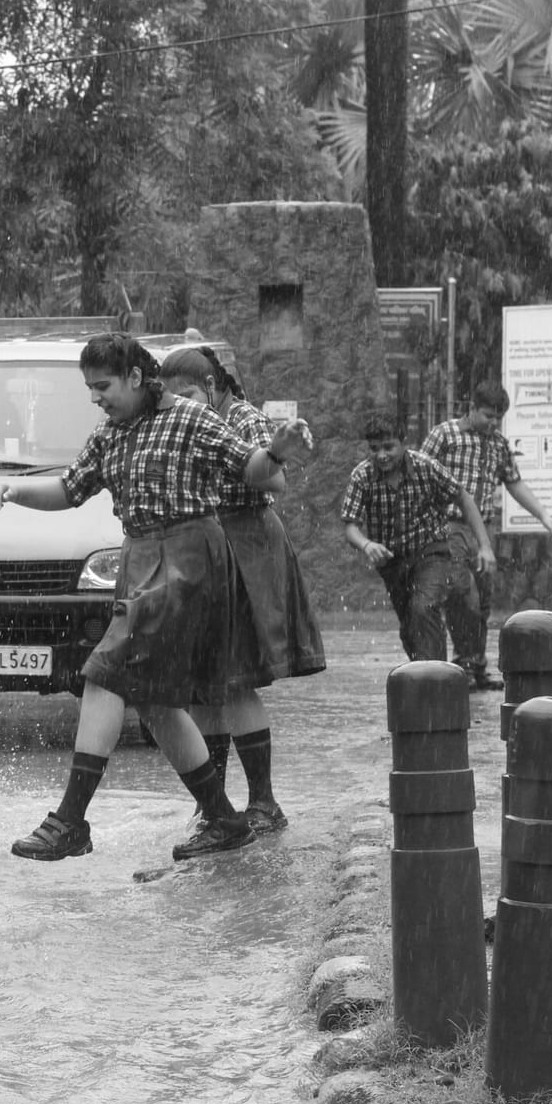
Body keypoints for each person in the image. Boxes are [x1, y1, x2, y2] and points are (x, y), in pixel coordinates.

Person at [0, 333, 314, 864]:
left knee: (105, 671)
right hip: (141, 557)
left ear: (136, 377)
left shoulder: (189, 417)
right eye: (90, 388)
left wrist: (276, 450)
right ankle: (224, 819)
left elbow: (252, 469)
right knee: (157, 702)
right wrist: (16, 491)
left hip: (190, 558)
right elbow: (71, 490)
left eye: (103, 386)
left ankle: (70, 818)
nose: (97, 397)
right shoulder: (109, 432)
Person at [159, 346, 326, 835]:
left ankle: (264, 801)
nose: (183, 405)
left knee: (237, 677)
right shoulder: (190, 421)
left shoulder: (246, 420)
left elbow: (274, 480)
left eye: (189, 394)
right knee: (208, 684)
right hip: (207, 547)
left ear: (211, 386)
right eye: (175, 398)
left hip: (246, 546)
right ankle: (215, 806)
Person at [419, 380, 552, 690]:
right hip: (447, 526)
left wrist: (543, 514)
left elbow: (514, 482)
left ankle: (477, 667)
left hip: (482, 530)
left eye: (498, 417)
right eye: (487, 415)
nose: (493, 422)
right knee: (461, 592)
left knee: (482, 600)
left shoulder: (497, 444)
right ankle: (463, 664)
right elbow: (419, 476)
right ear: (470, 408)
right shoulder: (444, 435)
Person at [341, 411, 493, 664]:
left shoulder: (426, 467)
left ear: (404, 443)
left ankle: (436, 679)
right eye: (375, 449)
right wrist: (366, 544)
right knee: (410, 625)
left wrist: (484, 546)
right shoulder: (362, 476)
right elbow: (350, 526)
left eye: (389, 447)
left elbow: (463, 498)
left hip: (431, 551)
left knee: (423, 608)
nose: (382, 455)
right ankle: (422, 672)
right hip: (392, 561)